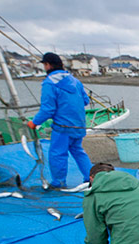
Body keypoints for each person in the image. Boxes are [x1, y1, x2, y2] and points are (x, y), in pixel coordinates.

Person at [28, 52, 93, 188]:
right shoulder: (75, 81)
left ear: (48, 65)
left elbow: (47, 109)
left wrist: (34, 122)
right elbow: (85, 101)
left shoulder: (49, 83)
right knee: (78, 151)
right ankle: (91, 178)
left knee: (57, 155)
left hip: (62, 127)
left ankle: (59, 183)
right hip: (79, 126)